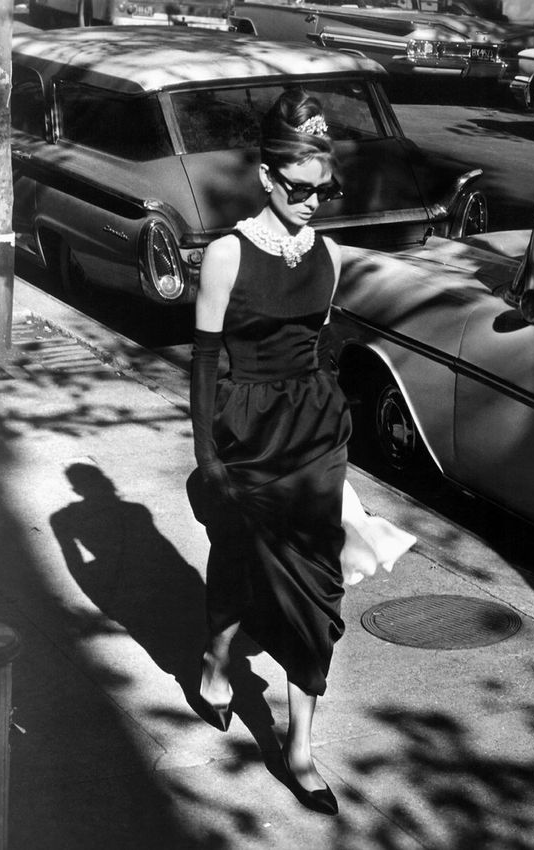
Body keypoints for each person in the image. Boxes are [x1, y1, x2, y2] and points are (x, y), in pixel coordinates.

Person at [190, 87, 352, 817]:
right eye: (298, 187)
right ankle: (216, 660)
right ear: (266, 177)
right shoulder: (225, 254)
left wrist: (337, 436)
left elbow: (321, 350)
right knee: (240, 563)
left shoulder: (331, 255)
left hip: (314, 434)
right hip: (245, 436)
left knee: (315, 586)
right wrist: (210, 459)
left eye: (323, 188)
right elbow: (202, 364)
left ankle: (298, 749)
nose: (313, 201)